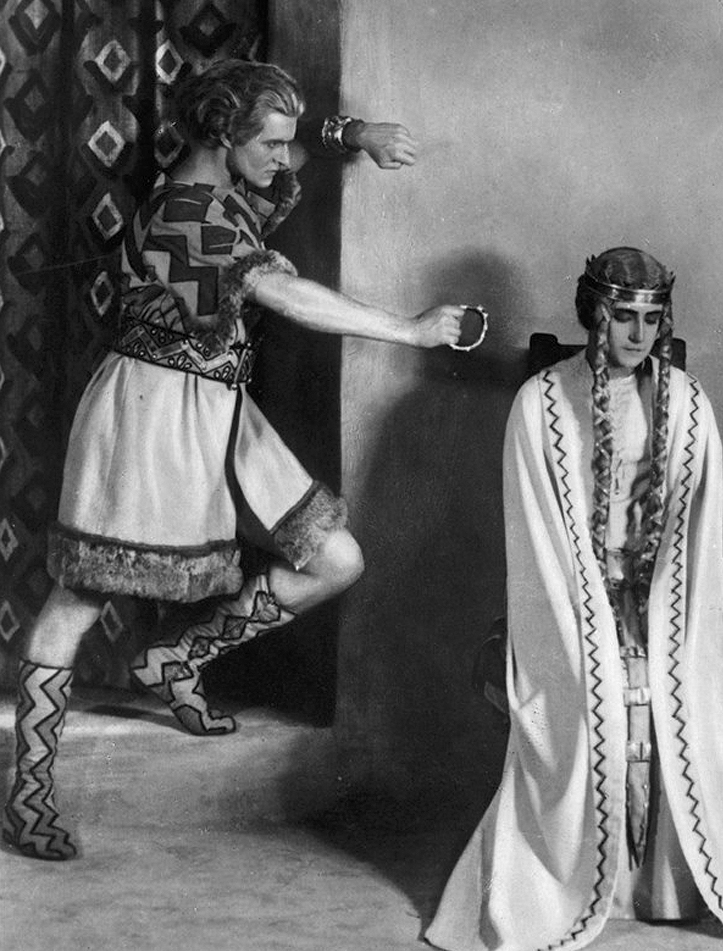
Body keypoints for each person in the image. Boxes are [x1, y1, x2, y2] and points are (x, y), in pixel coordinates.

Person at [2, 59, 466, 862]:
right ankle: (29, 795)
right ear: (222, 134)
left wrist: (355, 134)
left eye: (285, 143)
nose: (284, 159)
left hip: (219, 406)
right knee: (81, 595)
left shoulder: (228, 184)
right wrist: (409, 329)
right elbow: (284, 295)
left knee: (336, 559)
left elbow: (298, 144)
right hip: (147, 412)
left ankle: (176, 657)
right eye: (270, 145)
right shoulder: (184, 213)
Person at [425, 247, 723, 951]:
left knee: (701, 698)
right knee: (598, 691)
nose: (639, 334)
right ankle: (587, 882)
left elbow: (698, 530)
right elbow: (536, 533)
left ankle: (670, 887)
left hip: (667, 593)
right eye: (623, 317)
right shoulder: (541, 402)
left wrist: (659, 605)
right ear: (593, 313)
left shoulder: (686, 400)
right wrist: (591, 610)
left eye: (652, 320)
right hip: (570, 593)